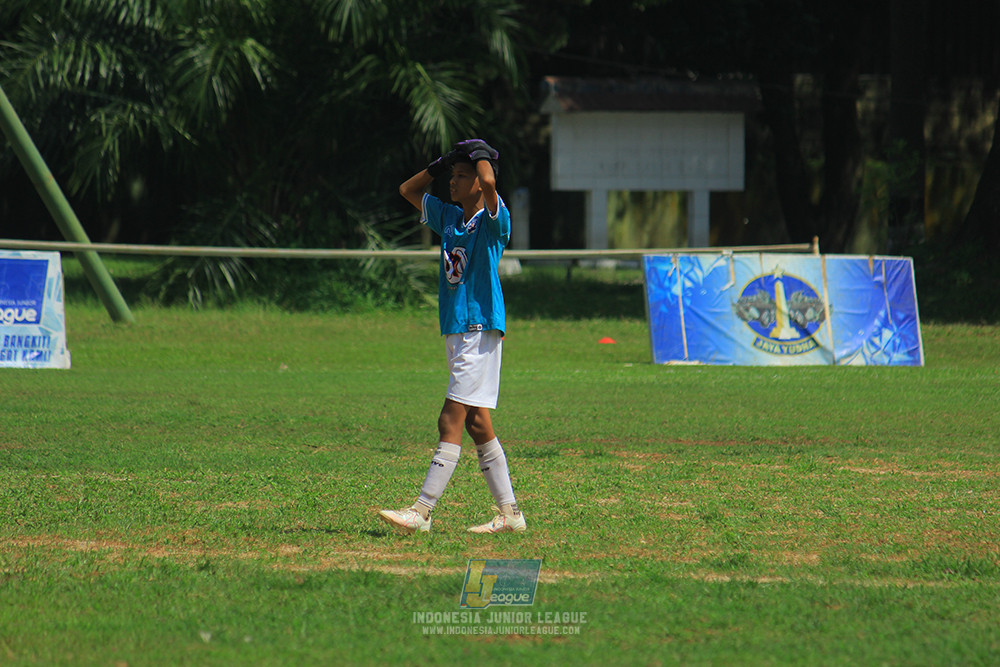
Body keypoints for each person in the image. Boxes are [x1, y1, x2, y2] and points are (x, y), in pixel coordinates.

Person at [377, 139, 525, 535]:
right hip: (458, 330)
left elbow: (490, 183)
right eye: (452, 175)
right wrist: (439, 164)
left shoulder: (494, 220)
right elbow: (408, 190)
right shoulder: (448, 217)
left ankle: (421, 511)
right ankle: (511, 515)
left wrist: (481, 156)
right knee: (477, 423)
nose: (452, 182)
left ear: (477, 181)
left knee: (450, 419)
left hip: (478, 328)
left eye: (461, 176)